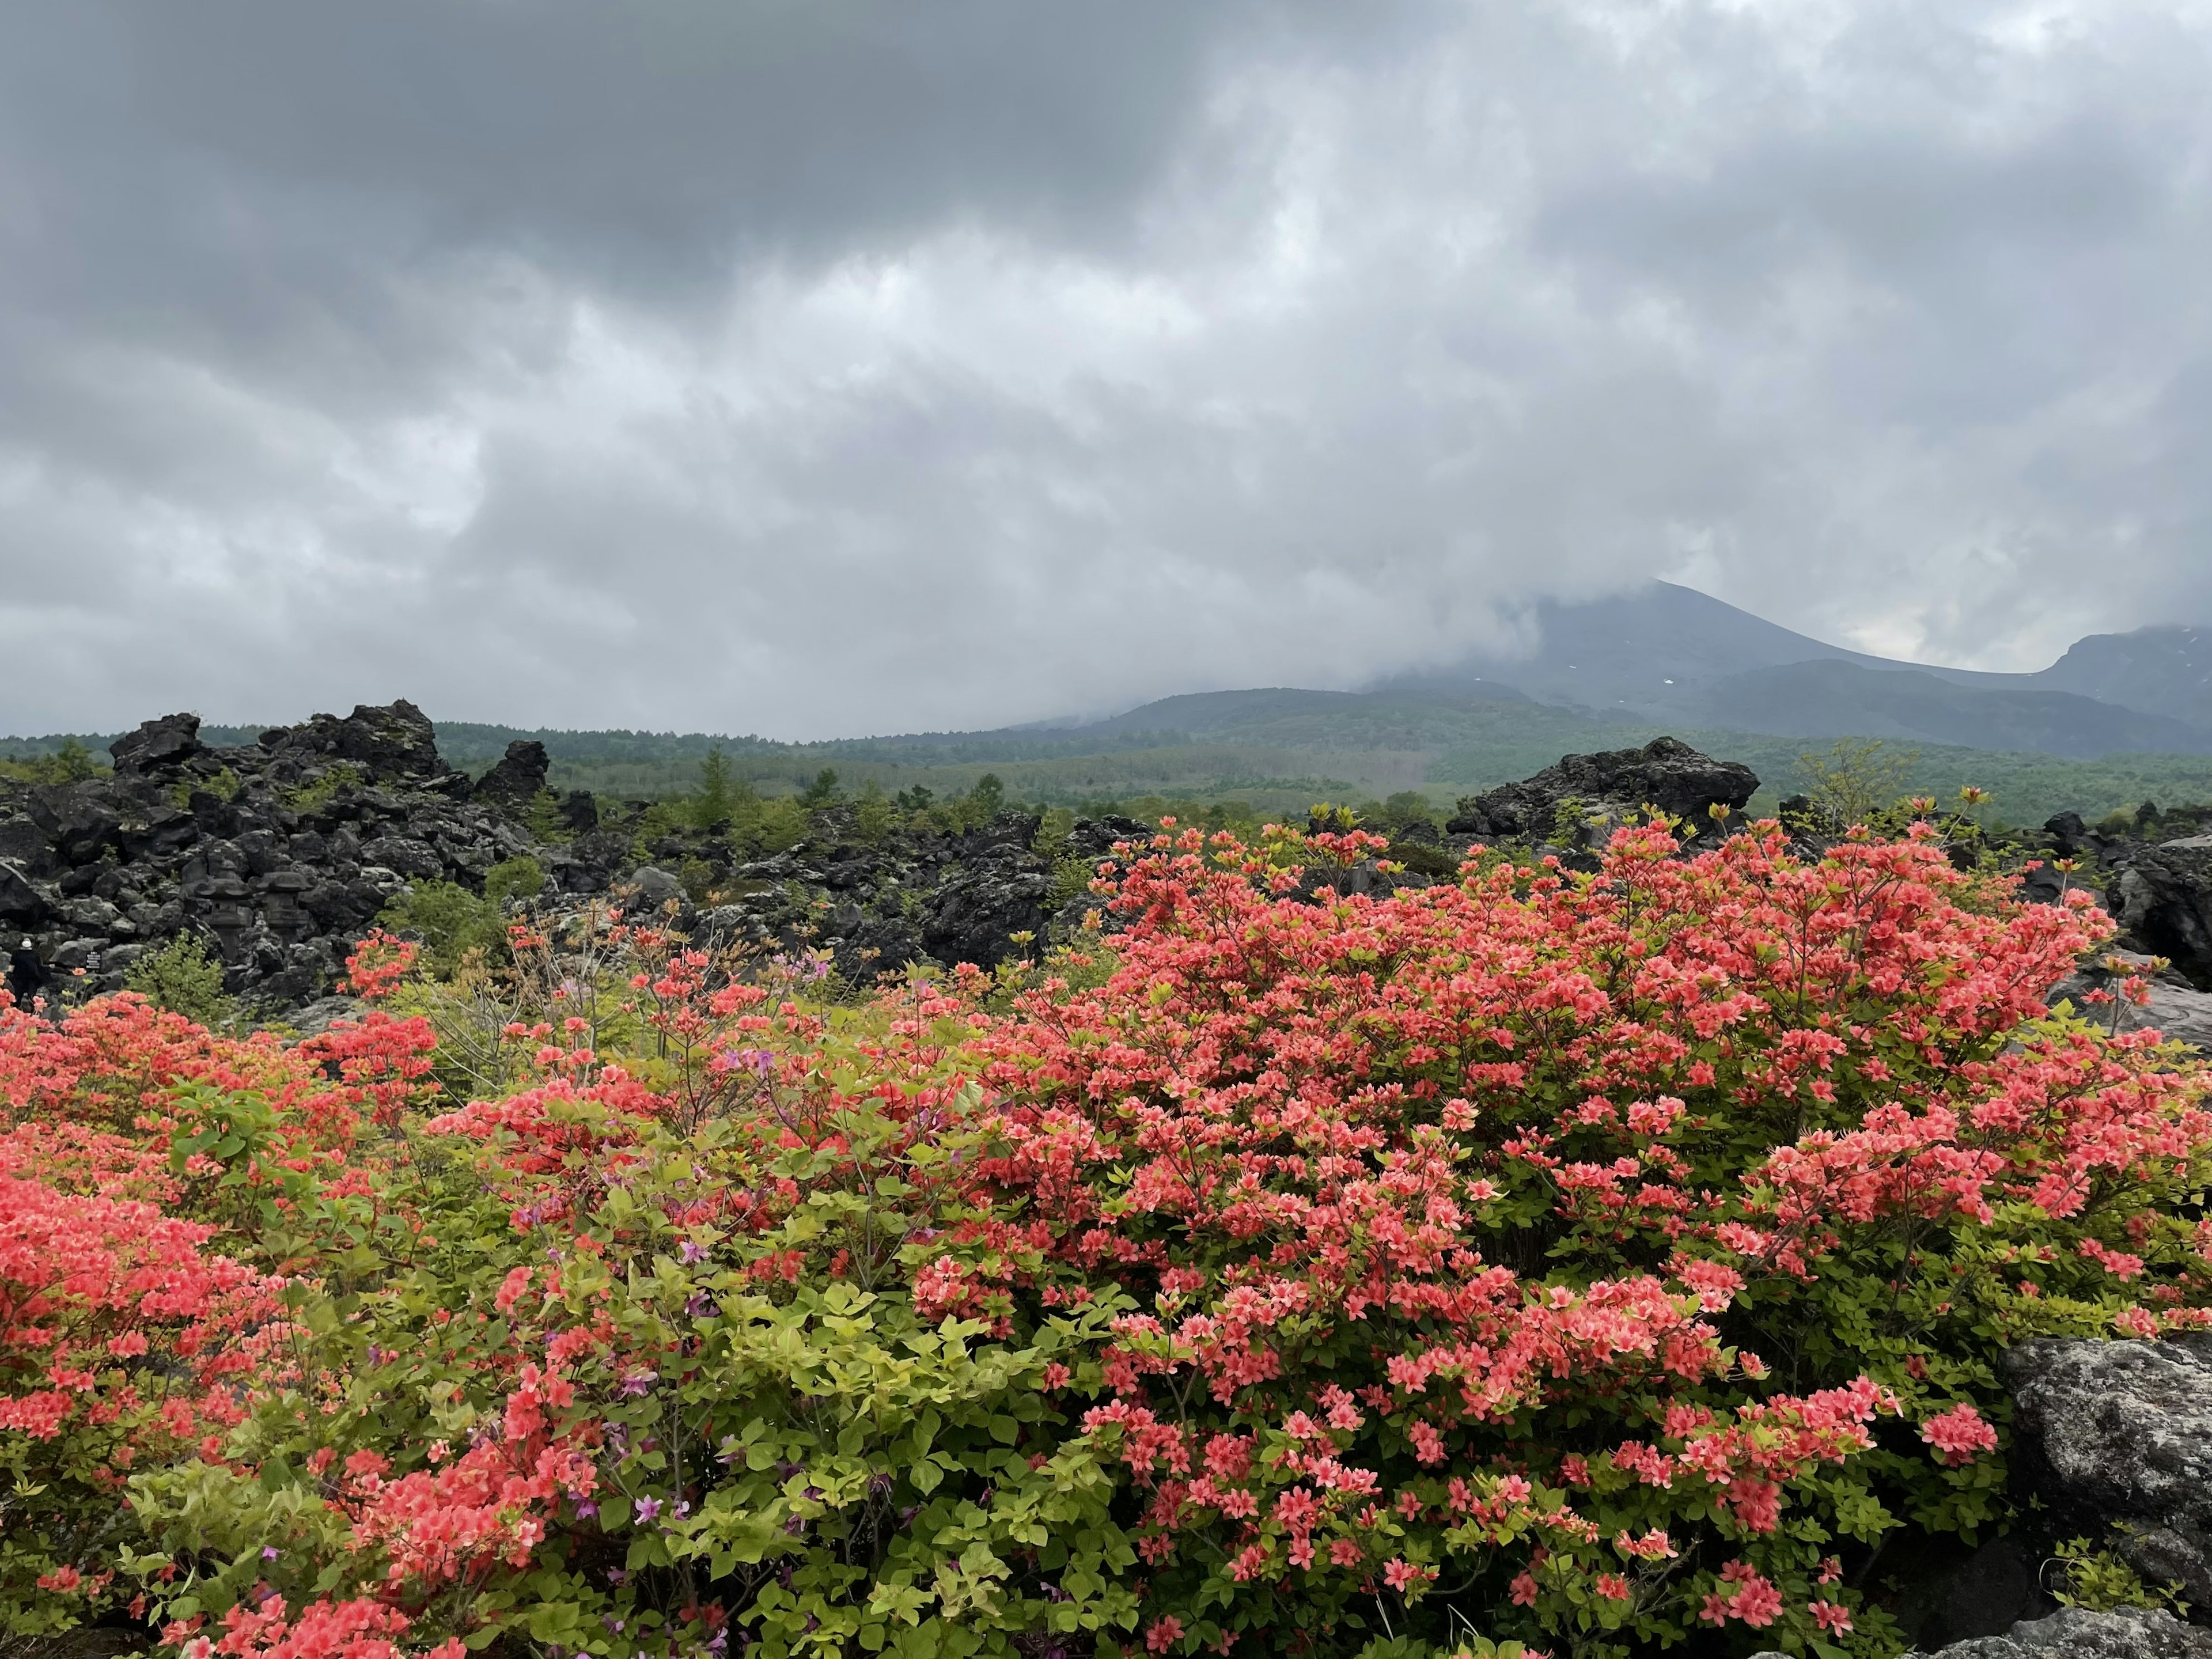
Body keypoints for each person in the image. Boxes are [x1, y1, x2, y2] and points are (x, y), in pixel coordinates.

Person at [6, 938, 50, 1009]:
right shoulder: (17, 953)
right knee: (18, 996)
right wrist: (9, 972)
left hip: (32, 978)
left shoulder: (36, 954)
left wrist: (48, 968)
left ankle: (33, 1012)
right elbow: (12, 964)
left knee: (32, 995)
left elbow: (40, 966)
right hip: (19, 977)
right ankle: (14, 1011)